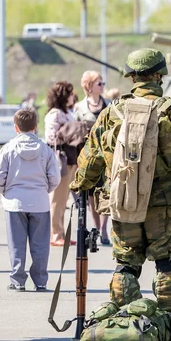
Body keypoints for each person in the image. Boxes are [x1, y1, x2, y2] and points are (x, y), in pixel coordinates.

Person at [70, 48, 171, 341]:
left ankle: (124, 323)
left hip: (123, 202)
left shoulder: (111, 111)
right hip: (163, 203)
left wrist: (79, 186)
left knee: (125, 264)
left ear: (131, 76)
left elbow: (90, 159)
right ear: (160, 74)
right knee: (168, 264)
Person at [0, 108, 61, 291]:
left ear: (16, 127)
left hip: (15, 202)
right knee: (40, 246)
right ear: (36, 127)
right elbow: (55, 177)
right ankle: (40, 281)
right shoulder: (45, 149)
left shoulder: (8, 148)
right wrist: (44, 189)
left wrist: (5, 192)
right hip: (39, 201)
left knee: (16, 244)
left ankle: (18, 280)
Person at [74, 71, 111, 245]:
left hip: (108, 156)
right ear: (89, 86)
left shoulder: (109, 105)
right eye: (99, 83)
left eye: (103, 83)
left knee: (107, 192)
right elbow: (74, 132)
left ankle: (104, 229)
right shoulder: (80, 107)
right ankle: (96, 227)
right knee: (91, 195)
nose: (102, 86)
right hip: (89, 156)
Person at [45, 81, 79, 246]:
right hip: (61, 159)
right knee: (57, 199)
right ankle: (55, 234)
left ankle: (60, 233)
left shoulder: (67, 112)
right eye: (71, 93)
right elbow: (51, 137)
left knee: (64, 198)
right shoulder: (55, 114)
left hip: (71, 159)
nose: (73, 96)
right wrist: (70, 131)